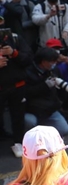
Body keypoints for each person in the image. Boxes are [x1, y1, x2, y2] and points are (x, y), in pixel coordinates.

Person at [0, 20, 32, 157]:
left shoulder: (15, 38)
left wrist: (14, 53)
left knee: (18, 116)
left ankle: (19, 142)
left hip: (17, 85)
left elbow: (29, 59)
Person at [24, 47, 68, 138]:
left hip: (49, 109)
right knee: (30, 122)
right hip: (32, 109)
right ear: (43, 61)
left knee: (64, 129)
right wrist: (45, 86)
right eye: (51, 61)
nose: (53, 64)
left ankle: (44, 130)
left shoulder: (53, 70)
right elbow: (26, 93)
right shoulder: (27, 72)